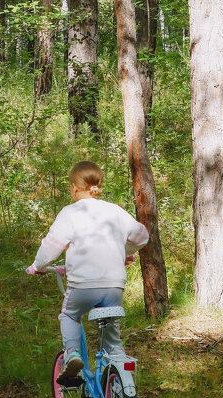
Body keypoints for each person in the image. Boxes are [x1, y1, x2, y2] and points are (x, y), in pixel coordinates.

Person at [26, 160, 150, 385]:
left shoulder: (70, 213)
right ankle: (119, 379)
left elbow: (51, 246)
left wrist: (38, 266)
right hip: (114, 287)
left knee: (70, 315)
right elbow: (141, 236)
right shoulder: (114, 211)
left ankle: (72, 355)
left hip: (83, 287)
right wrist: (122, 252)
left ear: (74, 187)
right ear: (97, 185)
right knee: (112, 338)